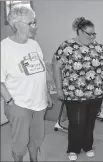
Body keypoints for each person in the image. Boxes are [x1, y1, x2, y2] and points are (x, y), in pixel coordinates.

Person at [52, 17, 103, 161]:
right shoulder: (67, 46)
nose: (92, 37)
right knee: (77, 123)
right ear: (79, 31)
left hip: (96, 92)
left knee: (90, 122)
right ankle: (73, 149)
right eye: (89, 34)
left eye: (94, 34)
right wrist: (59, 88)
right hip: (75, 93)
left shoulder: (98, 47)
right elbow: (56, 65)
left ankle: (87, 146)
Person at [1, 4, 52, 162]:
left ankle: (34, 160)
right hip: (19, 103)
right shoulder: (4, 48)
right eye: (30, 23)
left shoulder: (34, 44)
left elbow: (39, 71)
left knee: (36, 138)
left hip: (39, 102)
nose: (34, 27)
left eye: (34, 22)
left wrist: (46, 93)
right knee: (20, 142)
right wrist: (9, 100)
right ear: (17, 25)